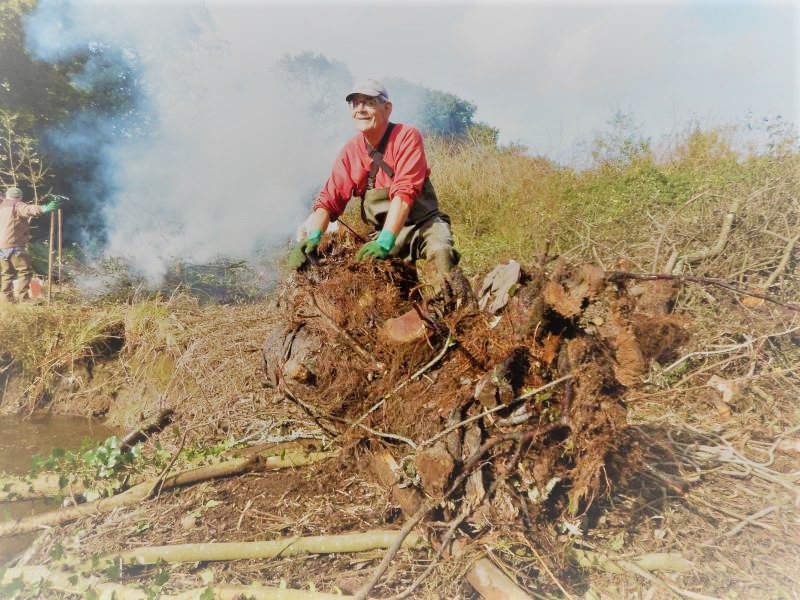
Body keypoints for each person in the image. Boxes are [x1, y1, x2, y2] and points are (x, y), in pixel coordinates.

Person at [289, 79, 471, 303]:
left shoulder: (407, 136)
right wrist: (314, 237)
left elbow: (404, 194)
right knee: (380, 290)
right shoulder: (351, 151)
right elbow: (329, 199)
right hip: (382, 232)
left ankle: (457, 318)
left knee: (442, 253)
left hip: (424, 225)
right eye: (355, 104)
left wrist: (386, 241)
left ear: (387, 108)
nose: (360, 109)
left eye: (368, 102)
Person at [0, 186, 60, 303]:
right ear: (19, 197)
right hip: (14, 245)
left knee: (7, 273)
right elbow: (29, 209)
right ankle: (24, 299)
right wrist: (45, 208)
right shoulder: (16, 205)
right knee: (25, 270)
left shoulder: (2, 207)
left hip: (1, 247)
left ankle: (7, 299)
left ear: (7, 196)